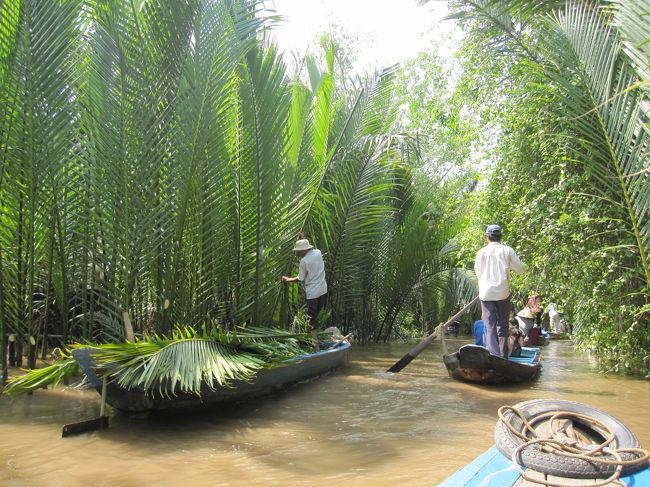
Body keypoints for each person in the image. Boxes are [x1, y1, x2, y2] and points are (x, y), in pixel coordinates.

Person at [474, 224, 525, 358]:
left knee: (489, 325)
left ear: (487, 237)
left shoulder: (481, 252)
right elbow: (520, 269)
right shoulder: (507, 250)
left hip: (486, 293)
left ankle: (493, 354)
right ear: (500, 237)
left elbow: (478, 273)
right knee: (502, 325)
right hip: (502, 292)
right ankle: (503, 356)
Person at [282, 238, 328, 350]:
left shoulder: (304, 261)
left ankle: (315, 345)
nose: (297, 253)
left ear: (303, 250)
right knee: (315, 317)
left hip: (313, 293)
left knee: (312, 319)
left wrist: (287, 280)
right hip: (323, 290)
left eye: (298, 251)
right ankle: (314, 339)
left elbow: (300, 278)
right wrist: (303, 237)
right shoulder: (318, 253)